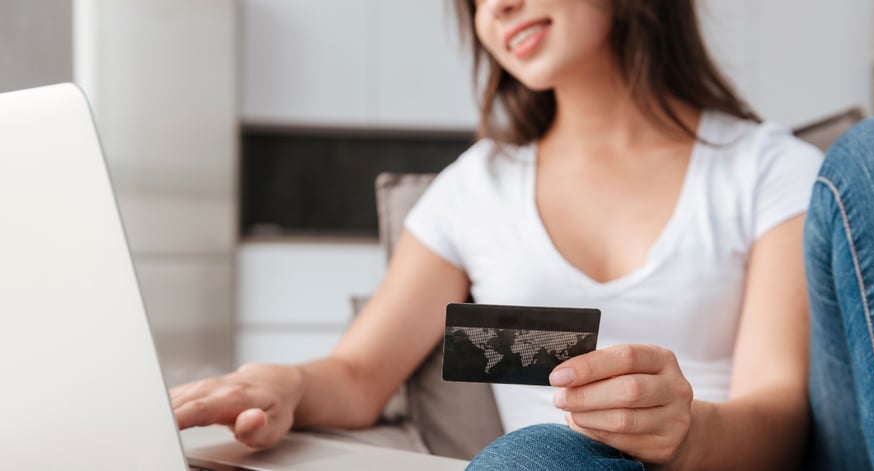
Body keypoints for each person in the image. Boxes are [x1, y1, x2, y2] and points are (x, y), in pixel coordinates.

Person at [171, 0, 831, 468]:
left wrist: (686, 435)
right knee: (538, 454)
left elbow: (780, 420)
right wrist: (283, 381)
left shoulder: (770, 171)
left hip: (700, 462)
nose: (498, 8)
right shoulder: (472, 189)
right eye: (477, 0)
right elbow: (359, 372)